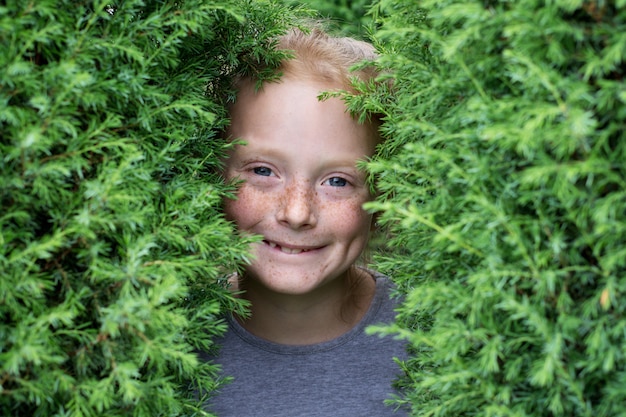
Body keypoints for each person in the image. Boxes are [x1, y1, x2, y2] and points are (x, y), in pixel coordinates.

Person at [199, 26, 408, 416]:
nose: (297, 213)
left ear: (380, 197)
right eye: (263, 171)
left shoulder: (431, 346)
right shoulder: (165, 339)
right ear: (216, 176)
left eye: (337, 181)